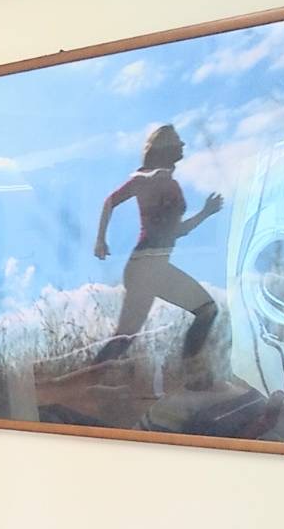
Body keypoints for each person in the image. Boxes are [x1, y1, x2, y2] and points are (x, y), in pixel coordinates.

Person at [92, 124, 224, 376]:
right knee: (206, 310)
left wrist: (206, 213)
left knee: (126, 336)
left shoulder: (165, 182)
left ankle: (88, 380)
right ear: (164, 147)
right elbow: (110, 201)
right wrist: (100, 240)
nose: (182, 145)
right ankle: (190, 374)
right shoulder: (149, 179)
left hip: (152, 265)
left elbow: (175, 231)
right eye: (177, 141)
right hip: (147, 264)